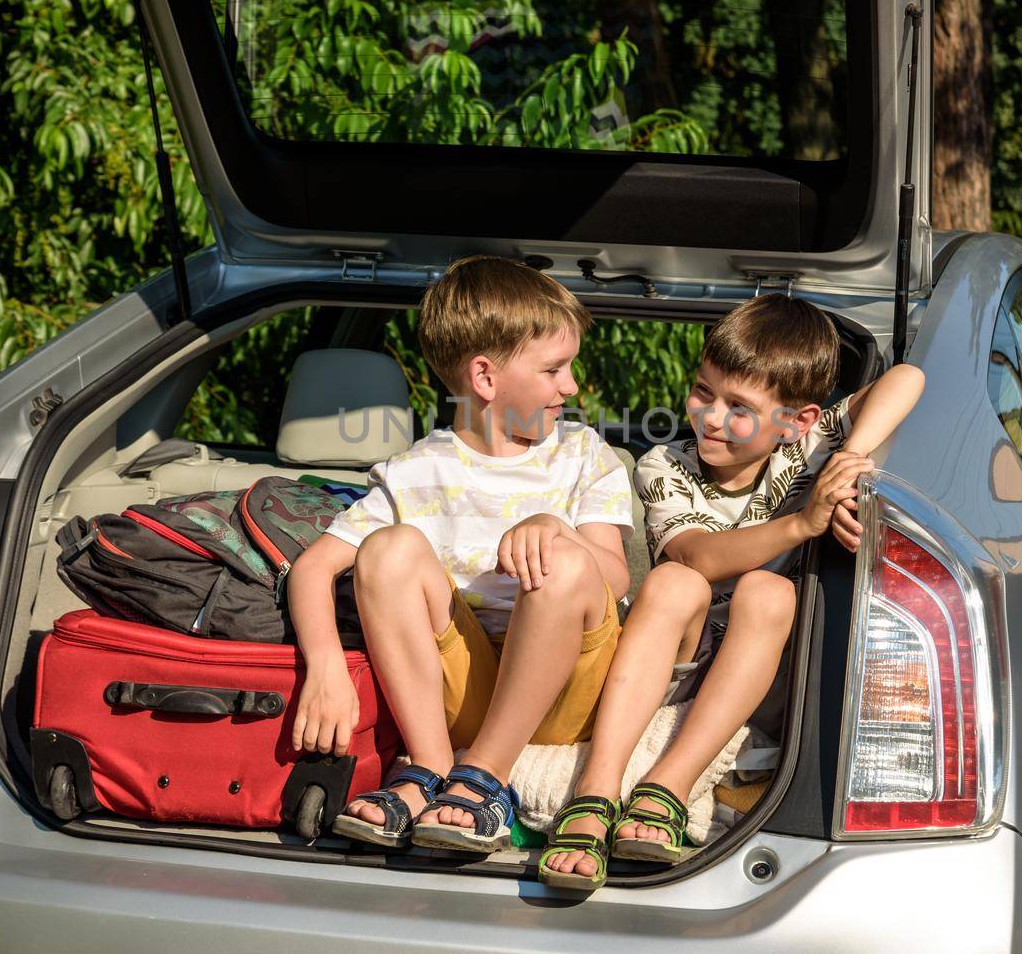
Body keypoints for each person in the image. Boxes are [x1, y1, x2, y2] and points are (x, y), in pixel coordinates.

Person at [538, 294, 925, 889]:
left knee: (768, 594)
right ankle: (596, 790)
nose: (711, 418)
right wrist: (801, 523)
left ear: (797, 420)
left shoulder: (809, 446)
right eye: (703, 391)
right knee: (672, 580)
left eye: (739, 407)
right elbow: (698, 556)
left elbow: (907, 376)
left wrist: (847, 457)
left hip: (766, 677)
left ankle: (666, 785)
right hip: (679, 666)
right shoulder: (664, 464)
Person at [285, 255, 633, 854]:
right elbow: (314, 568)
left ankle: (488, 777)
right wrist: (325, 669)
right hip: (460, 696)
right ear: (486, 377)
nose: (571, 387)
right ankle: (428, 769)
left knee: (566, 562)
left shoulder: (584, 455)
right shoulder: (413, 472)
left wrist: (557, 529)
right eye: (554, 370)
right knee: (387, 549)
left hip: (565, 696)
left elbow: (615, 574)